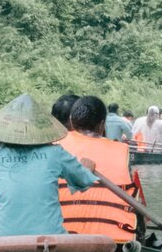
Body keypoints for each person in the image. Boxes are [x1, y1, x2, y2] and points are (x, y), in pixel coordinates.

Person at [0, 94, 102, 239]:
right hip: (51, 237)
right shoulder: (55, 153)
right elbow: (83, 180)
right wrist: (86, 169)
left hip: (0, 238)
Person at [59, 96, 140, 242]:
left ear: (71, 120)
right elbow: (136, 203)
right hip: (113, 241)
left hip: (59, 238)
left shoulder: (54, 147)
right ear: (102, 124)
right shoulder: (121, 150)